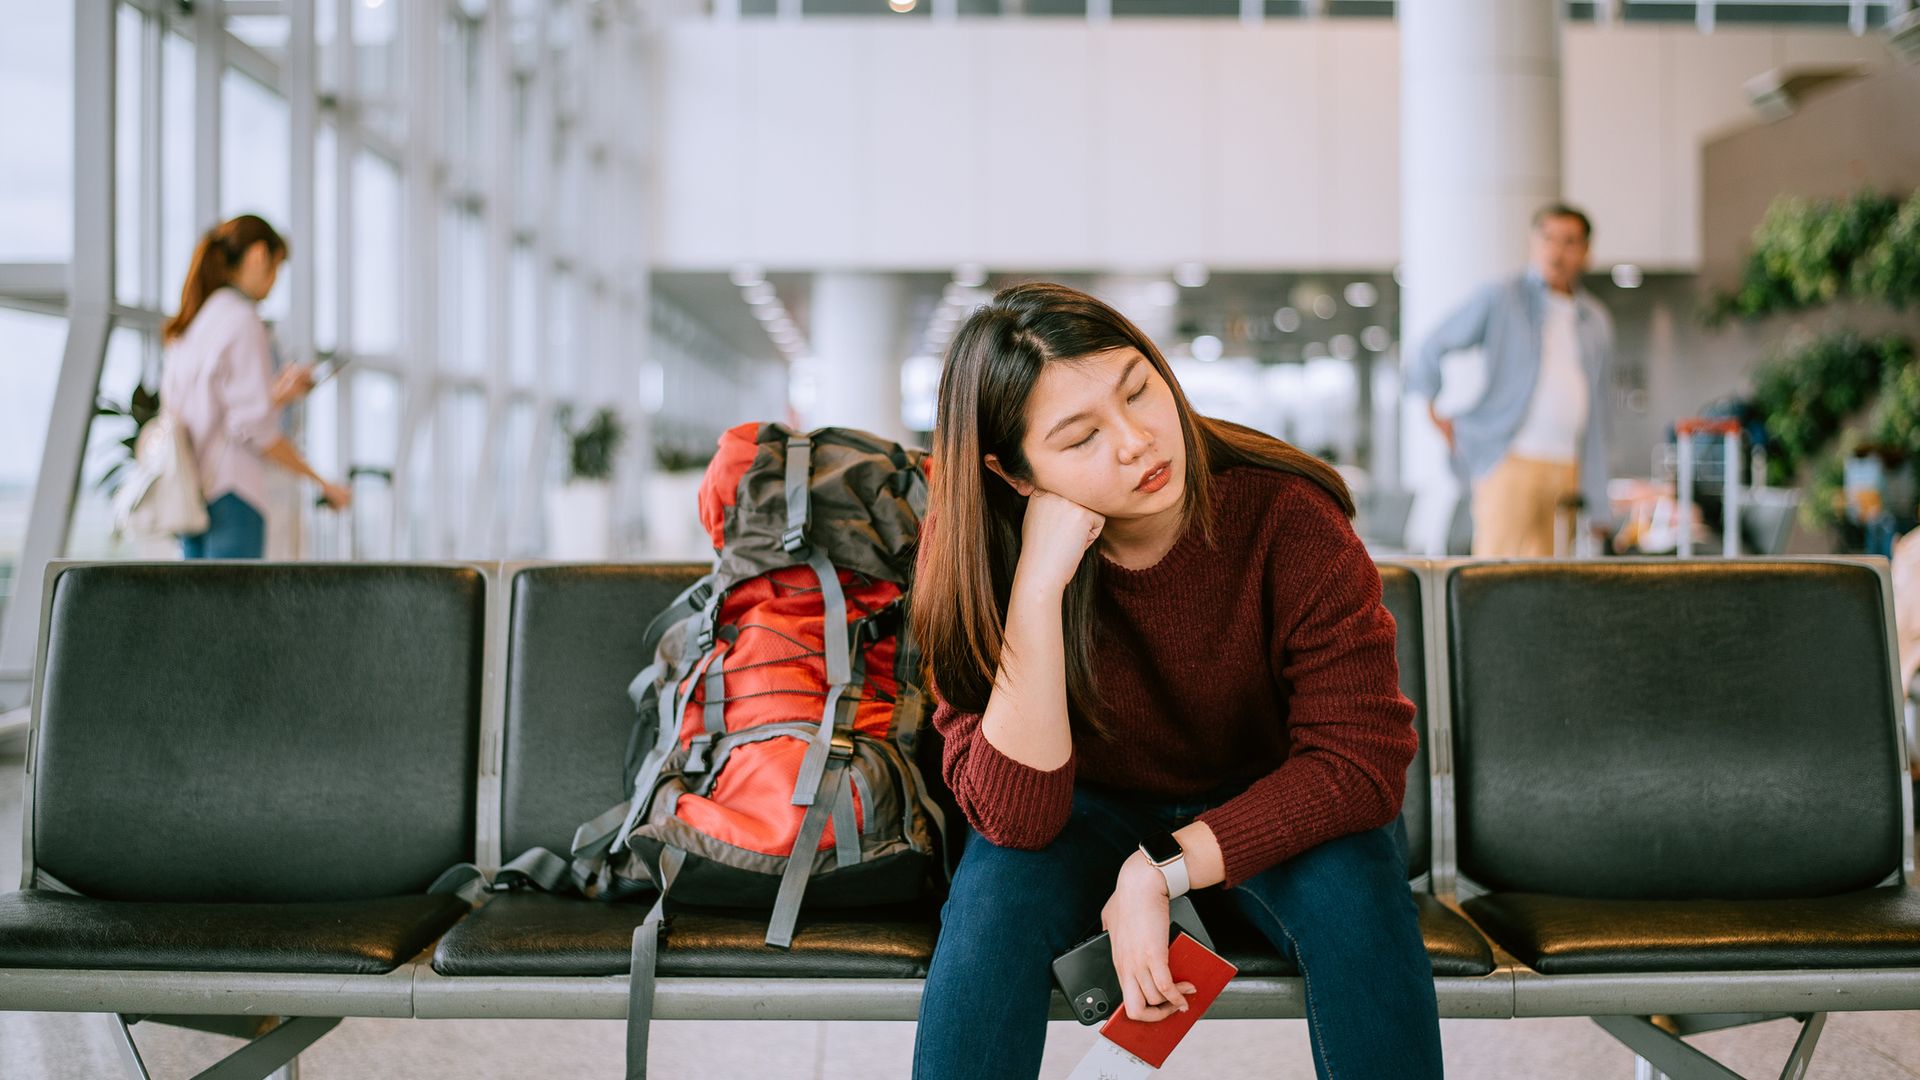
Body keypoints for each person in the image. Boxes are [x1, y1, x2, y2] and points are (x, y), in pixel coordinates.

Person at [908, 282, 1442, 1079]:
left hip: (1277, 808)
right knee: (994, 900)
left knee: (1356, 889)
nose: (1137, 442)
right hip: (1078, 814)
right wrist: (1036, 591)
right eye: (1080, 437)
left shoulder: (1284, 515)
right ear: (1013, 473)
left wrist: (1161, 868)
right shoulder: (976, 557)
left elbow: (1361, 763)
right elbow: (1017, 817)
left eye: (1139, 390)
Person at [1405, 203, 1616, 557]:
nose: (1557, 250)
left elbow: (1600, 415)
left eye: (1569, 241)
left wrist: (1599, 498)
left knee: (1551, 587)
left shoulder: (1595, 320)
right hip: (1510, 461)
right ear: (1533, 243)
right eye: (1547, 238)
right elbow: (1430, 345)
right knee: (1495, 581)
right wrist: (1433, 411)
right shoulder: (1504, 297)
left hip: (1568, 467)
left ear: (1586, 252)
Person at [160, 214, 350, 559]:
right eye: (276, 268)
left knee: (199, 612)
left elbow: (218, 413)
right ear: (259, 255)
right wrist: (323, 482)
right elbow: (255, 429)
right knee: (233, 613)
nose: (274, 282)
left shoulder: (194, 322)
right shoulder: (243, 320)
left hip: (191, 495)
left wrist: (274, 394)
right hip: (233, 495)